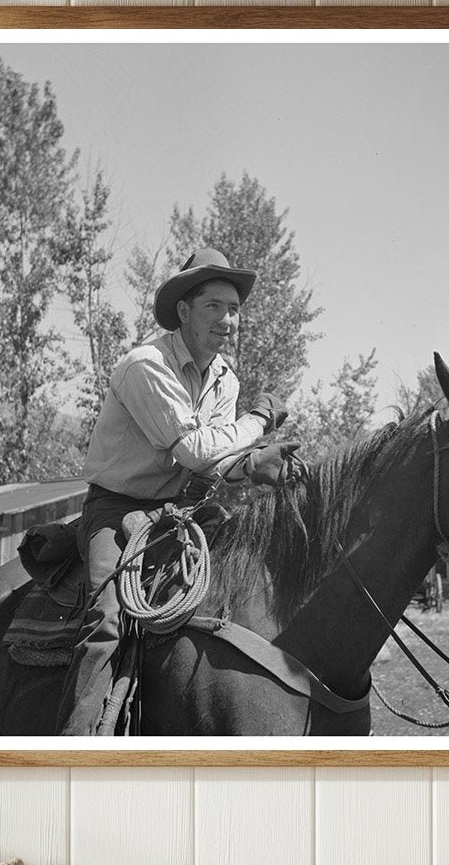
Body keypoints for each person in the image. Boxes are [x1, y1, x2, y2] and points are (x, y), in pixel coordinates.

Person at [56, 247, 301, 734]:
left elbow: (213, 461)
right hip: (116, 509)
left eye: (234, 309)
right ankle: (79, 741)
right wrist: (257, 421)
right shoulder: (145, 366)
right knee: (107, 617)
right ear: (184, 311)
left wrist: (252, 465)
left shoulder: (225, 380)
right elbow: (193, 449)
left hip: (180, 509)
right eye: (214, 306)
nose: (227, 320)